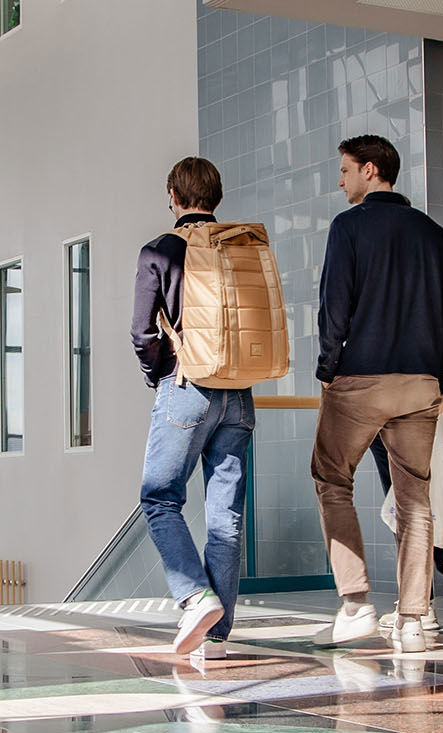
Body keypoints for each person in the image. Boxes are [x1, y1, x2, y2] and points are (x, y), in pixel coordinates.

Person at [310, 135, 443, 654]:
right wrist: (438, 377)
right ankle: (413, 620)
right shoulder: (434, 234)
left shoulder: (348, 227)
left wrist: (328, 367)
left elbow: (335, 305)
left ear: (371, 171)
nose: (341, 180)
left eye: (345, 170)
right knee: (415, 498)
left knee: (331, 477)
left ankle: (355, 605)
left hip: (361, 380)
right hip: (420, 383)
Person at [131, 156, 252, 659]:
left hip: (187, 386)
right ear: (216, 197)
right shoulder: (241, 247)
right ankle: (215, 639)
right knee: (226, 516)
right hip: (241, 392)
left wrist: (158, 375)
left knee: (160, 498)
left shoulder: (160, 250)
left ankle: (195, 597)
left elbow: (142, 332)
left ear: (174, 197)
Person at [369, 248, 443, 626]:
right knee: (428, 488)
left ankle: (418, 604)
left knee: (406, 497)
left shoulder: (392, 260)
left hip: (399, 394)